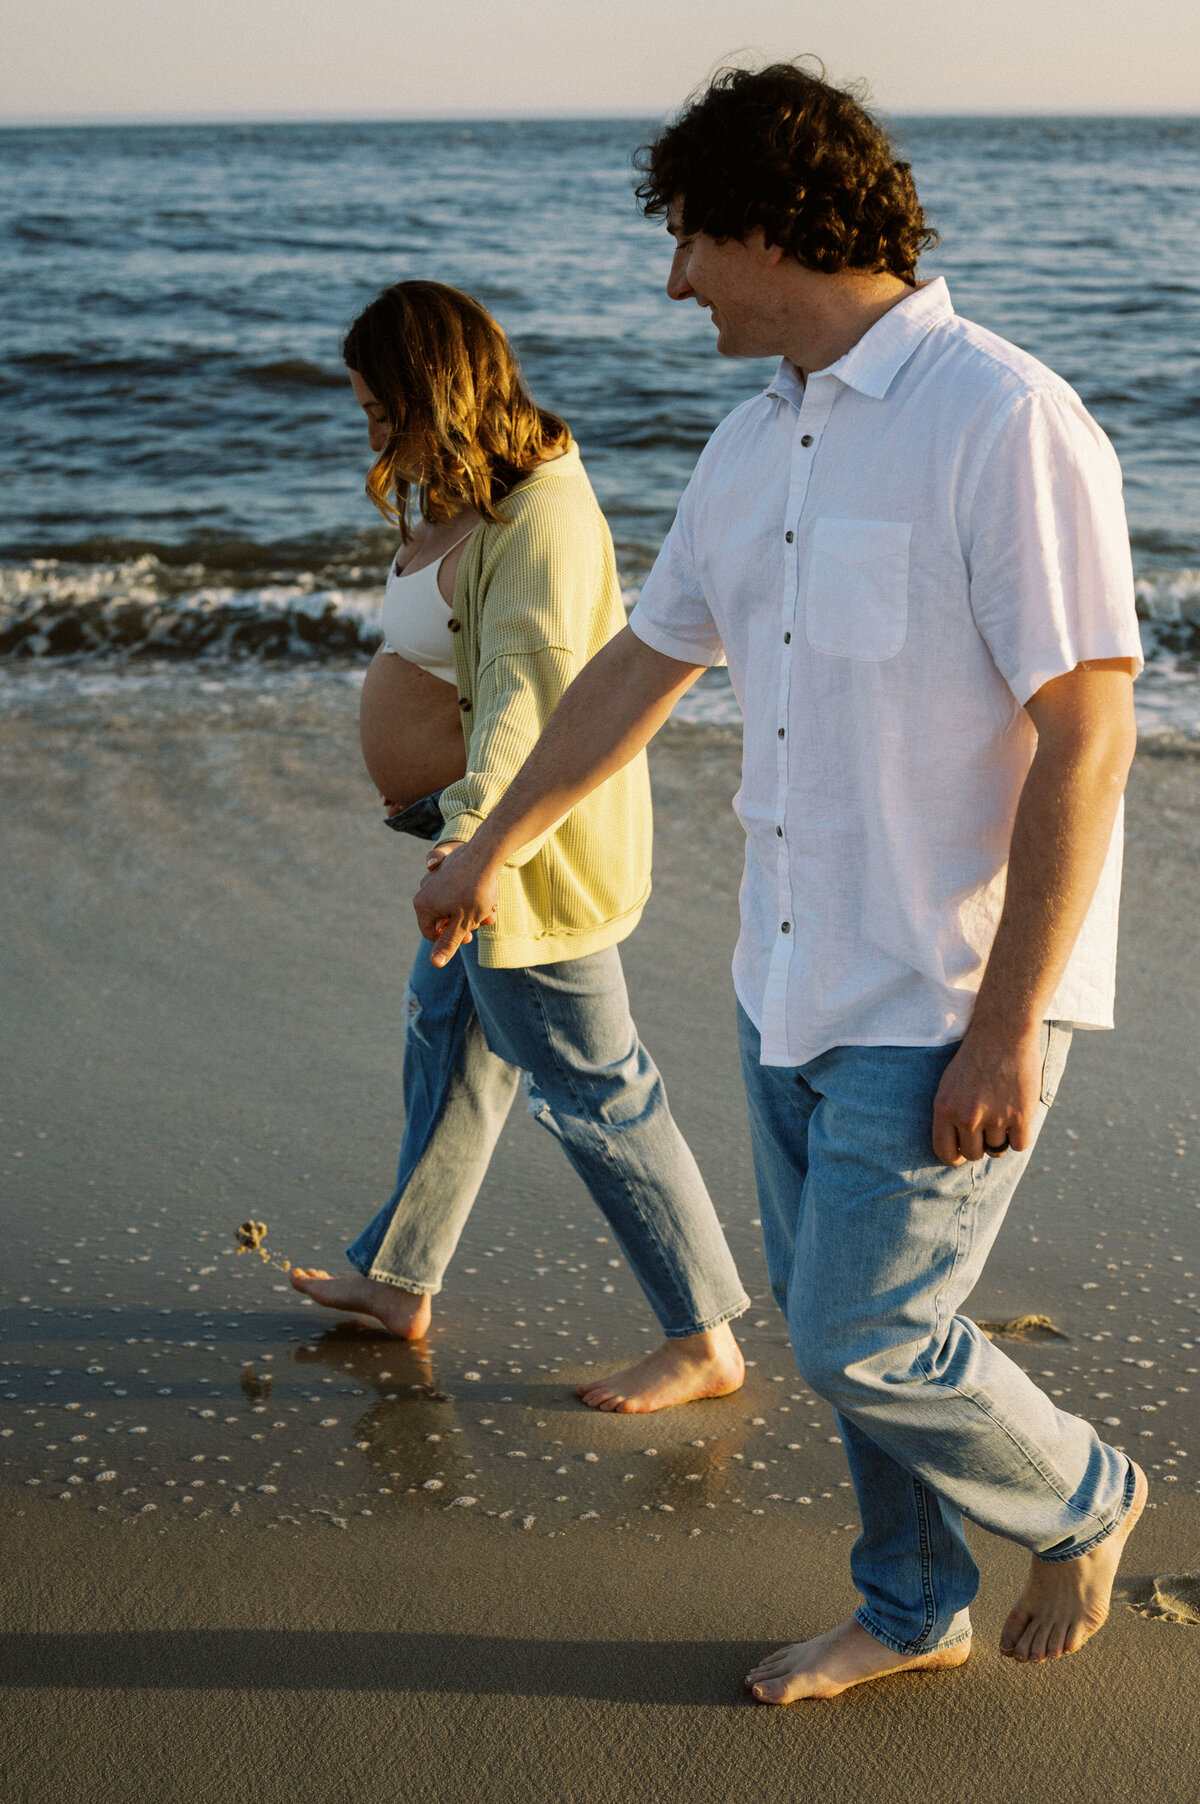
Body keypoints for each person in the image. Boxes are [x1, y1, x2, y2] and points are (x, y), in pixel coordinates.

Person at [412, 67, 1148, 1696]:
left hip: (947, 988)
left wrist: (1012, 1020)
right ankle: (907, 1602)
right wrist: (492, 846)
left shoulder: (1003, 416)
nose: (675, 279)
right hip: (786, 974)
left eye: (689, 238)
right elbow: (636, 668)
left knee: (863, 1335)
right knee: (853, 1351)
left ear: (772, 223)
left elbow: (1092, 728)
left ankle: (1083, 1493)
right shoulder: (751, 448)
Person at [290, 280, 750, 1414]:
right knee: (447, 1051)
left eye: (377, 405)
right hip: (479, 845)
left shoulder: (539, 517)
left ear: (430, 393)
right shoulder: (472, 494)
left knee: (599, 1090)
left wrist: (478, 850)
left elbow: (526, 706)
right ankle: (400, 1279)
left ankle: (705, 1337)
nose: (367, 430)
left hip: (523, 859)